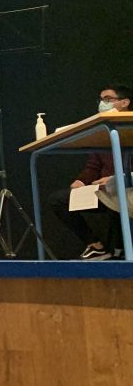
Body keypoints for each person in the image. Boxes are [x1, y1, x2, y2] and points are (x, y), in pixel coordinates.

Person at [49, 83, 131, 260]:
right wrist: (81, 181)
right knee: (59, 200)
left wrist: (117, 178)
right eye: (101, 99)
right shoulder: (102, 132)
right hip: (105, 191)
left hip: (127, 188)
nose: (103, 103)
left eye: (108, 99)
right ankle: (96, 246)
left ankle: (121, 250)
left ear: (124, 102)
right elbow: (93, 166)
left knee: (119, 195)